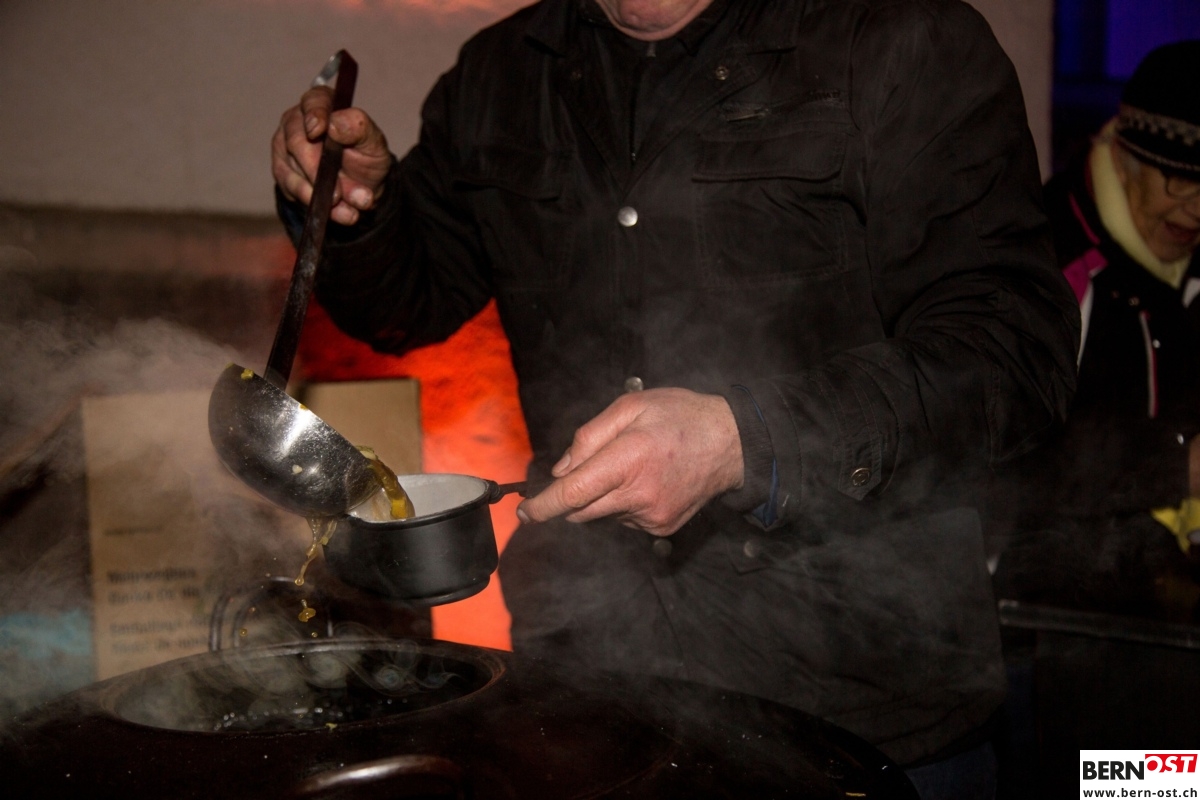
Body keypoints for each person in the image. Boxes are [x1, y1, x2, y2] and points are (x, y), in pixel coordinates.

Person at [272, 1, 1079, 795]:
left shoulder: (902, 39)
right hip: (586, 694)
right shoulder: (503, 70)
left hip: (862, 706)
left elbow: (1015, 351)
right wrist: (355, 211)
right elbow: (406, 300)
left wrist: (745, 439)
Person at [990, 40, 1200, 619]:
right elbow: (1008, 464)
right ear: (1125, 157)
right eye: (1178, 179)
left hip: (1171, 611)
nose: (1196, 209)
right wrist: (1179, 466)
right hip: (1047, 619)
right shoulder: (1047, 259)